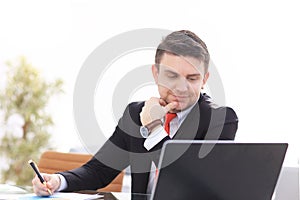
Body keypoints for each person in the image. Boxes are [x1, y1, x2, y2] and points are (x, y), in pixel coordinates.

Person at [32, 30, 238, 196]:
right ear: (155, 74)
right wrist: (58, 181)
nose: (181, 88)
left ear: (204, 79)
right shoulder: (135, 113)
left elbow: (189, 188)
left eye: (192, 78)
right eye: (171, 76)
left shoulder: (220, 120)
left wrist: (154, 128)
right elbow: (99, 170)